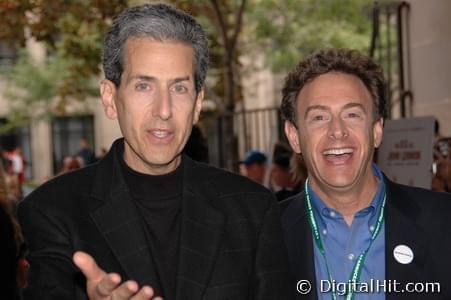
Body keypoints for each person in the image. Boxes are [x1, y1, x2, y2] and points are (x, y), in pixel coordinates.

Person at [18, 4, 291, 300]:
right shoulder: (54, 210)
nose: (163, 110)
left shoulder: (252, 209)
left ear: (198, 103)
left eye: (179, 89)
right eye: (144, 86)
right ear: (110, 98)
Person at [280, 48, 451, 299]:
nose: (337, 131)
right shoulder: (262, 236)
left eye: (352, 114)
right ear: (294, 137)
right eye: (319, 117)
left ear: (377, 130)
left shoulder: (444, 222)